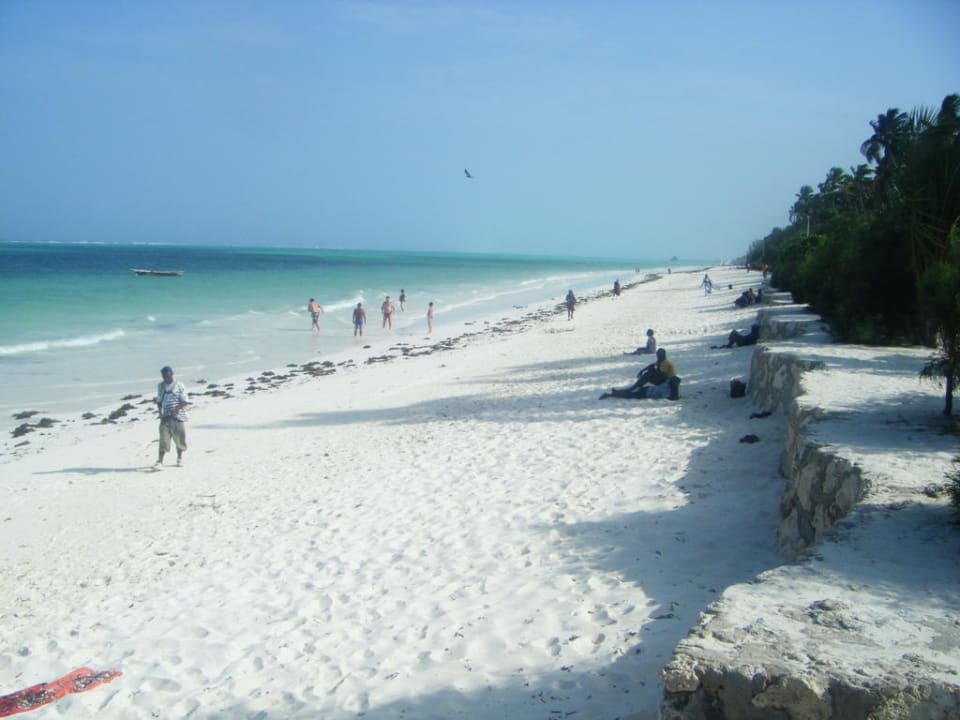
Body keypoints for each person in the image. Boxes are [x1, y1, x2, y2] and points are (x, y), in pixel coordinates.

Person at [600, 348, 680, 400]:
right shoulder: (662, 360)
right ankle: (621, 391)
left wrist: (650, 370)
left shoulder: (665, 362)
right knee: (646, 376)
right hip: (650, 389)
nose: (658, 357)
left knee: (634, 393)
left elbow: (662, 374)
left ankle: (616, 393)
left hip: (661, 381)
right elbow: (653, 365)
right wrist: (642, 370)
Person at [155, 366, 189, 468]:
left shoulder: (179, 385)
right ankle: (160, 461)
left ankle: (179, 458)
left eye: (167, 376)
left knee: (179, 439)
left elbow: (185, 401)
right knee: (163, 439)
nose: (166, 378)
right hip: (165, 417)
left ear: (172, 374)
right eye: (164, 376)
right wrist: (160, 413)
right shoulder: (160, 386)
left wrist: (176, 409)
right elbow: (159, 401)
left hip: (178, 417)